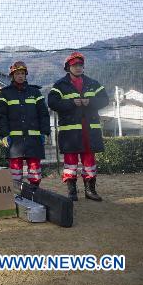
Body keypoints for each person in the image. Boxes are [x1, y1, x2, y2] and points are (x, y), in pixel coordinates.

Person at [48, 52, 109, 201]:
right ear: (68, 67)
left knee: (89, 161)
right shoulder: (59, 85)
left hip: (89, 131)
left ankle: (90, 191)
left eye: (80, 65)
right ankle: (72, 192)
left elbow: (105, 100)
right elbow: (52, 103)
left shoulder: (93, 83)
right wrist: (71, 103)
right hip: (70, 133)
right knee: (70, 163)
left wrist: (91, 102)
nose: (78, 67)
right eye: (75, 65)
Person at [0, 61, 50, 186]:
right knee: (15, 170)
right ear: (12, 76)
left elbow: (44, 114)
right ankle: (16, 194)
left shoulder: (35, 92)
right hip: (15, 140)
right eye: (17, 74)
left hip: (34, 138)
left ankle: (35, 192)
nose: (20, 76)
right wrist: (4, 134)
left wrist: (45, 132)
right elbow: (1, 117)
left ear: (26, 75)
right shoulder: (5, 93)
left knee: (35, 168)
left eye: (22, 73)